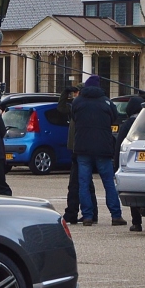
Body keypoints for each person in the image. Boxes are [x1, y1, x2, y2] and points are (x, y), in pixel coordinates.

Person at [71, 75, 124, 226]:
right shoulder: (106, 101)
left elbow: (74, 117)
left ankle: (87, 216)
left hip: (82, 147)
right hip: (103, 147)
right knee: (108, 182)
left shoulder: (78, 101)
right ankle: (116, 215)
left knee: (84, 182)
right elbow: (114, 117)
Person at [55, 83, 90, 224]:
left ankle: (73, 212)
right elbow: (61, 108)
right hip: (78, 148)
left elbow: (62, 108)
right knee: (86, 183)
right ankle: (89, 213)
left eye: (76, 92)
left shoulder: (79, 107)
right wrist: (65, 92)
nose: (74, 95)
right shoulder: (78, 107)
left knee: (76, 183)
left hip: (79, 148)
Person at [117, 94, 145, 231]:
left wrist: (116, 164)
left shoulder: (128, 124)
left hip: (133, 162)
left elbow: (119, 145)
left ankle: (137, 222)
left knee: (134, 192)